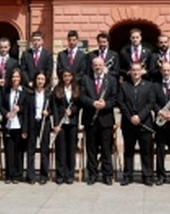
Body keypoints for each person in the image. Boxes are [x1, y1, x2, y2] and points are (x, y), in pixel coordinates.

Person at [81, 56, 117, 185]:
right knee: (91, 149)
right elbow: (82, 96)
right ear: (92, 66)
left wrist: (105, 104)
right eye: (95, 65)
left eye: (100, 65)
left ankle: (107, 175)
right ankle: (92, 174)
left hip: (106, 119)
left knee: (106, 149)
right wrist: (93, 103)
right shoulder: (86, 79)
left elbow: (114, 99)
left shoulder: (111, 80)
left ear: (104, 66)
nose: (98, 67)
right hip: (90, 119)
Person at [118, 62, 156, 186]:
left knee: (146, 151)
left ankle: (147, 176)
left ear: (142, 72)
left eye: (138, 70)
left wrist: (140, 116)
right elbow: (121, 103)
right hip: (128, 124)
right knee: (128, 151)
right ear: (129, 72)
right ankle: (127, 175)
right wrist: (131, 117)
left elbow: (150, 103)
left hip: (144, 123)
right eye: (133, 70)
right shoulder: (124, 86)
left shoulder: (149, 86)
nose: (135, 73)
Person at [51, 68, 81, 185]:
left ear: (72, 77)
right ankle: (60, 174)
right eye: (64, 76)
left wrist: (72, 111)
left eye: (69, 76)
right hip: (61, 124)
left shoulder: (76, 89)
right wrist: (56, 124)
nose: (67, 78)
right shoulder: (57, 89)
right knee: (60, 149)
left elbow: (79, 105)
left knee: (71, 149)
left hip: (72, 123)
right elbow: (54, 107)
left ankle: (70, 174)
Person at [25, 72, 53, 184]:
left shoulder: (49, 94)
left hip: (44, 124)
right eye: (38, 79)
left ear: (45, 81)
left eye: (42, 79)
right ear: (35, 80)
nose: (40, 81)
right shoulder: (30, 94)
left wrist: (48, 112)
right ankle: (30, 175)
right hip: (32, 124)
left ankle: (43, 175)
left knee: (44, 150)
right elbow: (27, 112)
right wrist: (25, 129)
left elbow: (53, 108)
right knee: (30, 150)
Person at [1, 68, 27, 183]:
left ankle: (17, 174)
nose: (15, 79)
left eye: (17, 77)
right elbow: (0, 106)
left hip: (19, 125)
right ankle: (9, 174)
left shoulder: (24, 92)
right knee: (9, 151)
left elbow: (27, 108)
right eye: (13, 77)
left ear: (20, 78)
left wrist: (19, 108)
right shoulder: (6, 91)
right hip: (8, 124)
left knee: (19, 151)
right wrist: (6, 113)